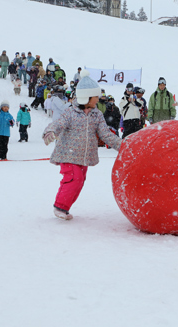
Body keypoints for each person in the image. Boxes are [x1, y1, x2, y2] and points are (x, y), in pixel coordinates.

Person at [43, 70, 121, 220]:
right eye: (95, 96)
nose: (98, 99)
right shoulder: (70, 112)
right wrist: (50, 132)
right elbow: (58, 124)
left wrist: (122, 145)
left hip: (84, 156)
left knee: (79, 182)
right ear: (86, 97)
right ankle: (60, 206)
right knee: (74, 179)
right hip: (68, 153)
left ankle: (64, 208)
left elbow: (105, 134)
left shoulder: (96, 114)